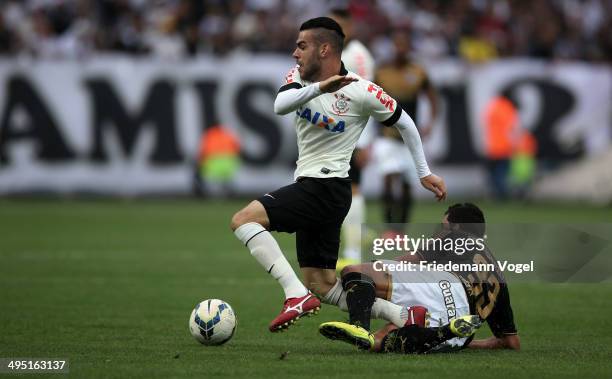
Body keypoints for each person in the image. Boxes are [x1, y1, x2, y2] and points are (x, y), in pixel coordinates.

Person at [230, 17, 446, 333]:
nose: (295, 53)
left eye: (302, 46)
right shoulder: (299, 78)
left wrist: (424, 172)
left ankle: (294, 296)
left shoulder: (361, 90)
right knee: (323, 285)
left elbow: (405, 122)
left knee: (244, 219)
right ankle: (406, 316)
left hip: (328, 186)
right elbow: (280, 105)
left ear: (325, 49)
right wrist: (320, 87)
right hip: (314, 186)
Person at [319, 203, 520, 353]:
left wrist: (369, 276)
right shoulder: (498, 275)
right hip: (460, 334)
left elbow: (408, 261)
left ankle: (359, 327)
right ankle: (443, 332)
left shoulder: (456, 236)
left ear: (456, 226)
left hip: (445, 287)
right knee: (381, 340)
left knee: (354, 271)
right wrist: (469, 342)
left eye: (444, 225)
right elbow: (511, 343)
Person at [372, 31, 439, 234]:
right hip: (387, 135)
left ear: (409, 48)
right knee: (389, 177)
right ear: (393, 47)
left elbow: (433, 99)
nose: (400, 49)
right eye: (397, 45)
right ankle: (389, 229)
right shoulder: (382, 72)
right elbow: (366, 99)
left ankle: (401, 230)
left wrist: (430, 124)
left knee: (408, 183)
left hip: (410, 137)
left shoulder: (418, 72)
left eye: (404, 45)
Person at [329, 8, 377, 270]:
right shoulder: (335, 52)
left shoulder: (356, 55)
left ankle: (351, 251)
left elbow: (365, 96)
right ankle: (356, 236)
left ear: (349, 26)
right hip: (337, 131)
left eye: (337, 24)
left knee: (352, 188)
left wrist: (365, 138)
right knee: (340, 189)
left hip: (354, 132)